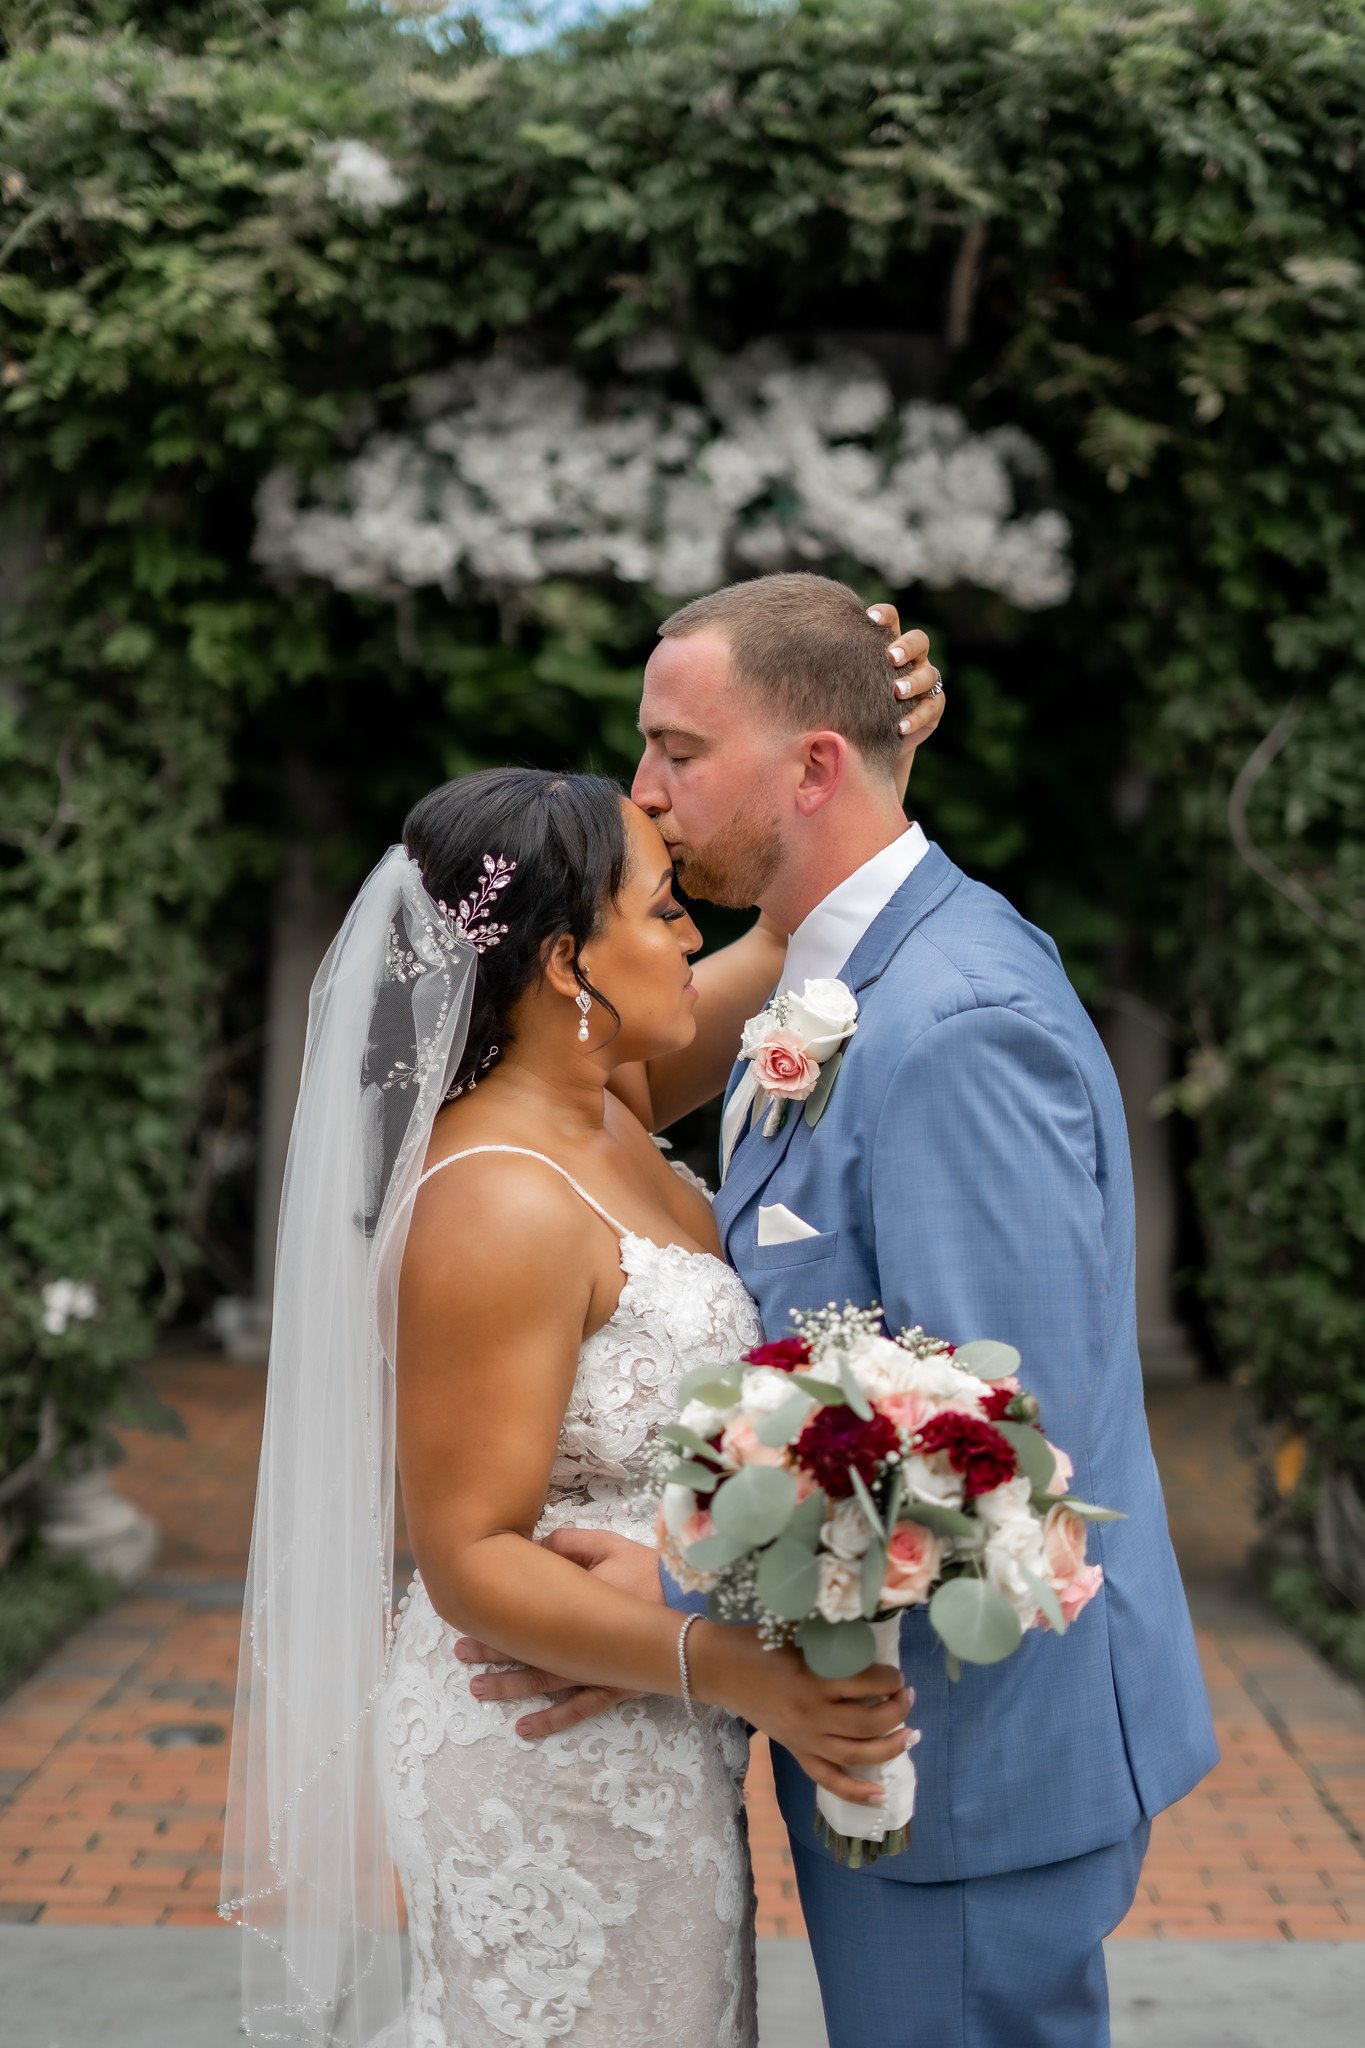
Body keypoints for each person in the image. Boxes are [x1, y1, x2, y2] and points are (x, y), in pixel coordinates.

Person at [456, 572, 1220, 2048]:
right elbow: (584, 1098)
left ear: (811, 766)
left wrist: (675, 1607)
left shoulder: (950, 1028)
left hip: (974, 1759)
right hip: (882, 1726)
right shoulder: (830, 975)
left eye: (678, 749)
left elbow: (1004, 1451)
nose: (644, 791)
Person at [221, 608, 945, 2048]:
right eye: (665, 906)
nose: (696, 928)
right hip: (544, 1748)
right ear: (566, 963)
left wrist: (868, 758)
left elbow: (810, 920)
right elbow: (468, 1555)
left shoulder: (609, 1103)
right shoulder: (492, 1201)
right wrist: (738, 1669)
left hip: (644, 1725)